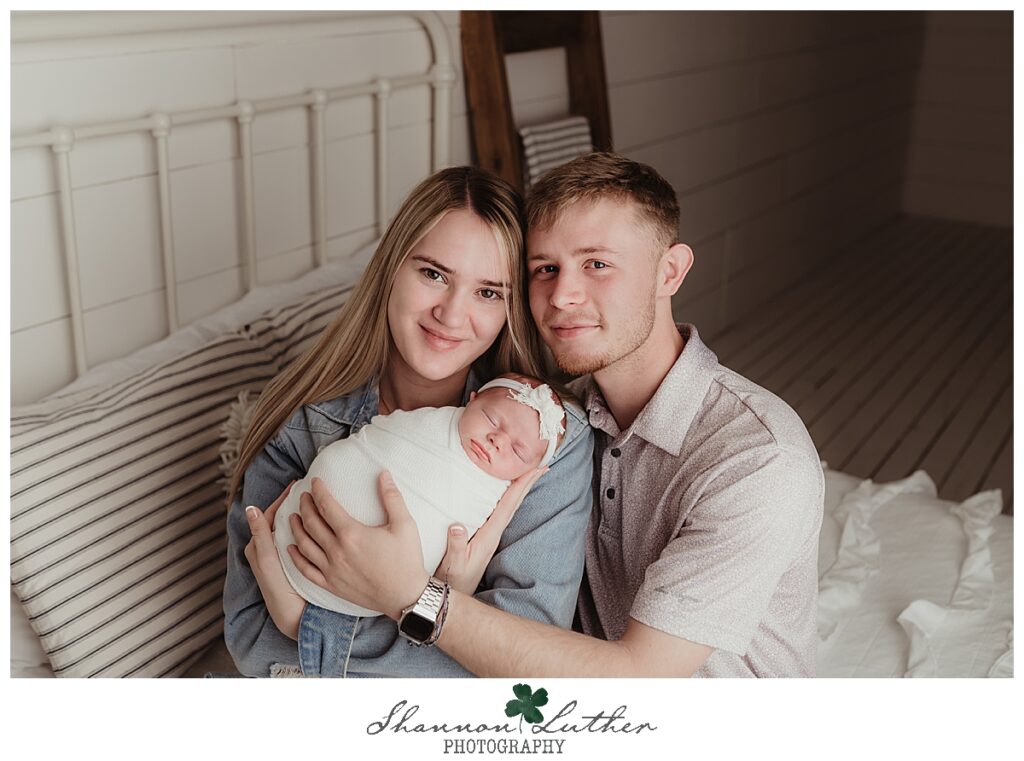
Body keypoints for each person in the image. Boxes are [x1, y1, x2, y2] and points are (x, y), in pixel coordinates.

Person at [285, 152, 825, 677]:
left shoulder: (757, 460)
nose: (563, 295)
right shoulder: (547, 422)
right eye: (545, 268)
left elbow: (641, 679)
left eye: (597, 264)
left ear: (670, 272)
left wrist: (411, 595)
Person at [223, 166, 594, 678]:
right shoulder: (303, 421)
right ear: (391, 268)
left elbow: (523, 668)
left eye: (489, 292)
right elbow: (252, 641)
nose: (451, 315)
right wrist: (455, 623)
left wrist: (312, 621)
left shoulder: (544, 438)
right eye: (434, 274)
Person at [273, 373, 566, 616]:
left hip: (366, 597)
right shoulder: (429, 422)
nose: (497, 439)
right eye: (491, 419)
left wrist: (445, 594)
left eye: (517, 450)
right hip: (295, 528)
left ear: (528, 471)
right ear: (472, 399)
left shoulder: (498, 493)